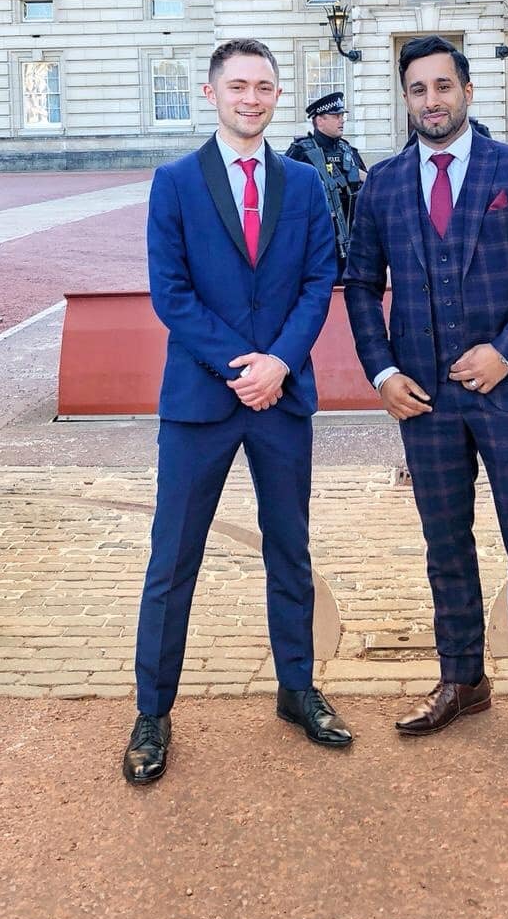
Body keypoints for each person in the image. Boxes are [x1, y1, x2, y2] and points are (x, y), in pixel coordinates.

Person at [343, 36, 508, 791]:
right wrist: (380, 370)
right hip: (424, 400)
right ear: (406, 99)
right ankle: (462, 679)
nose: (431, 100)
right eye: (417, 89)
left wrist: (507, 351)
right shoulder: (380, 184)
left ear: (469, 92)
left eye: (443, 86)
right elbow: (358, 285)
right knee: (445, 549)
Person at [124, 38, 352, 786]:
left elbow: (321, 281)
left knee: (290, 551)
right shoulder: (175, 183)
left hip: (281, 399)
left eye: (264, 87)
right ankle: (153, 712)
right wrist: (242, 367)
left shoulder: (304, 183)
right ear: (210, 92)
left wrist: (279, 363)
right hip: (201, 401)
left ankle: (296, 688)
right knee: (172, 562)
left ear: (277, 95)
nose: (251, 98)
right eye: (238, 86)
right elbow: (172, 294)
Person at [285, 91, 366, 281]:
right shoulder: (301, 152)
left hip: (351, 240)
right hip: (317, 240)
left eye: (342, 116)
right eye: (336, 116)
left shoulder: (348, 151)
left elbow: (367, 191)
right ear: (319, 121)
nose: (342, 120)